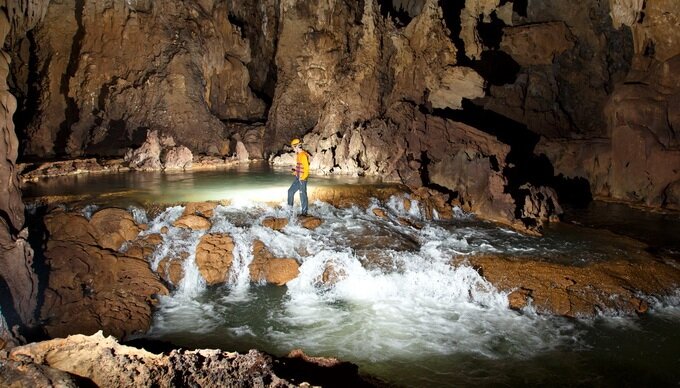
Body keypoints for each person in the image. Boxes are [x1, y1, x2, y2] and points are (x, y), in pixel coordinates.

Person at [287, 138, 310, 216]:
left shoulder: (303, 155)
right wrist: (295, 172)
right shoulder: (299, 155)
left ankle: (304, 213)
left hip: (302, 179)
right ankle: (289, 211)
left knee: (302, 194)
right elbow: (301, 167)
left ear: (297, 147)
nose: (293, 149)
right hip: (298, 178)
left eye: (293, 147)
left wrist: (302, 178)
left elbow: (306, 168)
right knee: (290, 191)